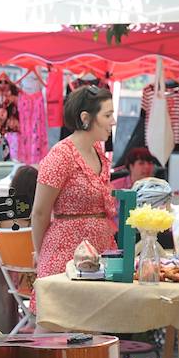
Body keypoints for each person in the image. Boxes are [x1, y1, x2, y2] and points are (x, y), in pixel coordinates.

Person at [31, 85, 117, 300]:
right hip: (63, 257)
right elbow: (40, 213)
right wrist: (42, 255)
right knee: (55, 325)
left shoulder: (99, 152)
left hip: (99, 256)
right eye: (107, 115)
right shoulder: (61, 155)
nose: (113, 121)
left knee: (93, 327)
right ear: (86, 117)